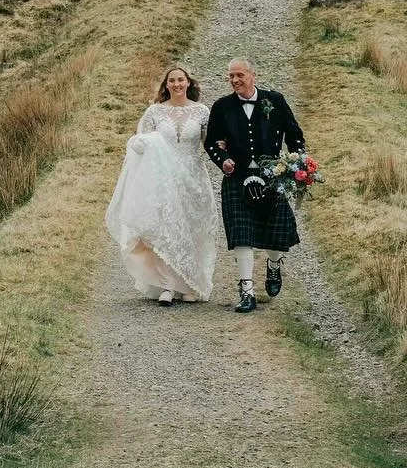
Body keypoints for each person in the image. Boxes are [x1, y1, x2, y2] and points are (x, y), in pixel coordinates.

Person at [104, 66, 220, 306]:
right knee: (166, 229)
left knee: (193, 229)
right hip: (163, 178)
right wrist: (143, 144)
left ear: (188, 83)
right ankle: (168, 285)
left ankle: (191, 284)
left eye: (181, 80)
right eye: (172, 81)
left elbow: (209, 144)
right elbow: (140, 142)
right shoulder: (155, 112)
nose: (177, 84)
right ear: (166, 85)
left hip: (193, 178)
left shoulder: (201, 111)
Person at [204, 58, 305, 313]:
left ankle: (273, 266)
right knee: (242, 235)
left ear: (253, 75)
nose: (235, 80)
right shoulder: (222, 106)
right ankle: (247, 291)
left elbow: (294, 136)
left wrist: (296, 162)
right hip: (237, 178)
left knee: (277, 233)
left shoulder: (275, 100)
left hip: (273, 177)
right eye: (231, 76)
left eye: (240, 75)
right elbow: (212, 141)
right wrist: (224, 160)